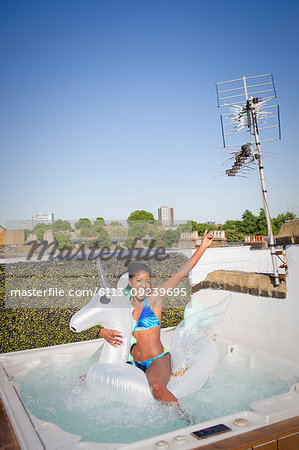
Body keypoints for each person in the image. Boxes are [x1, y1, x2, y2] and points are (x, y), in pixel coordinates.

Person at [100, 230, 213, 406]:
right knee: (88, 377)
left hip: (156, 360)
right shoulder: (123, 306)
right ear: (130, 283)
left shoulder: (154, 298)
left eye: (147, 281)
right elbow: (106, 322)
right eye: (139, 281)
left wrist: (203, 246)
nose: (144, 285)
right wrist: (102, 331)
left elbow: (181, 273)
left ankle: (187, 422)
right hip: (131, 362)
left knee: (157, 388)